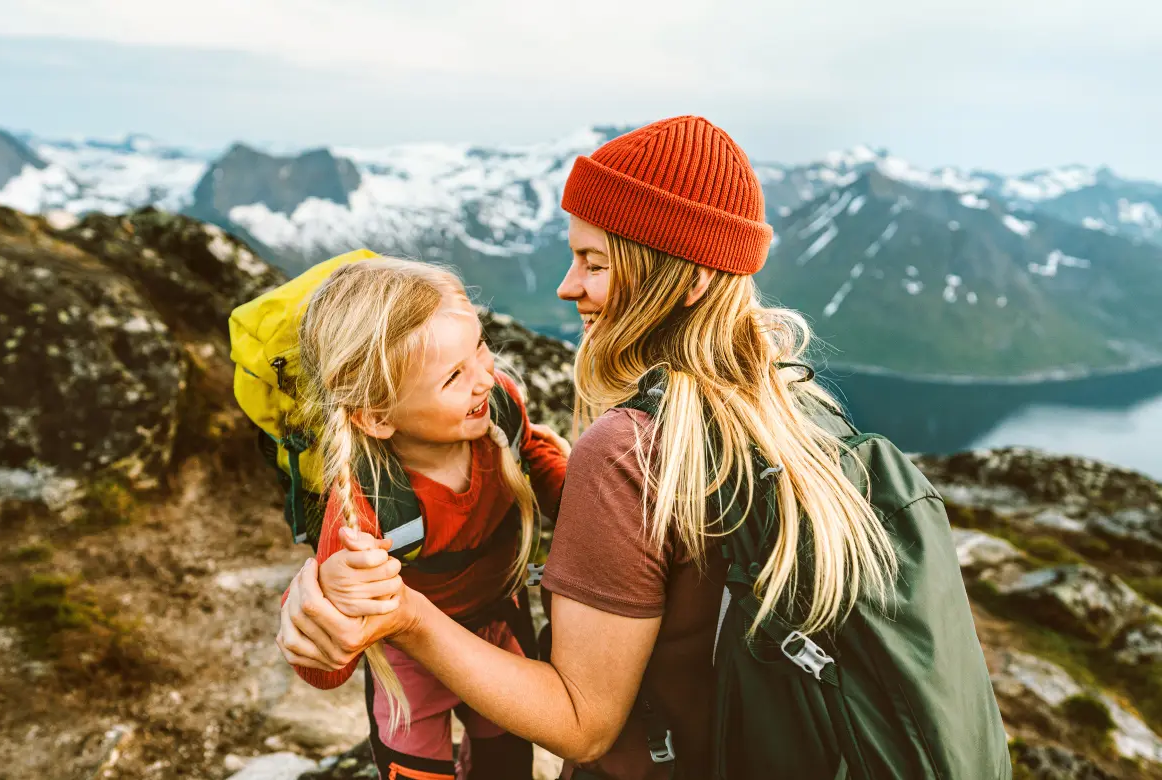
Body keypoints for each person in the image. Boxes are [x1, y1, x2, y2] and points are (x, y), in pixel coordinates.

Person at [279, 116, 1005, 779]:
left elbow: (581, 725)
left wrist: (405, 616)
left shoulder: (629, 450)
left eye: (594, 263)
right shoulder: (790, 401)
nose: (567, 287)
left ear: (687, 280)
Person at [276, 256, 568, 780]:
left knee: (506, 766)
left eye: (479, 347)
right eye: (454, 375)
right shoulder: (365, 504)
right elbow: (326, 670)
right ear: (377, 416)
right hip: (409, 663)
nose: (485, 378)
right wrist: (335, 602)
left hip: (498, 629)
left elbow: (532, 454)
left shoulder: (499, 410)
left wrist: (583, 494)